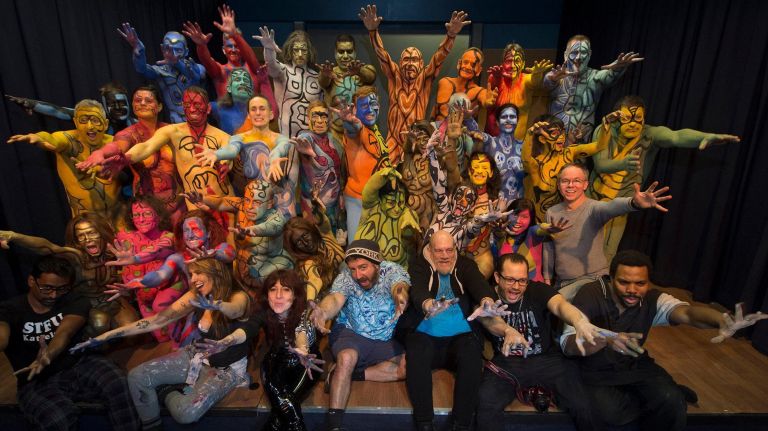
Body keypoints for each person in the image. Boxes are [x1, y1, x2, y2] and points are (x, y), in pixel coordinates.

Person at [560, 250, 767, 430]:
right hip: (593, 370)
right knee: (610, 414)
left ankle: (664, 397)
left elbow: (688, 314)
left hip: (633, 364)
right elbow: (569, 346)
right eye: (624, 282)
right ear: (611, 278)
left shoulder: (653, 299)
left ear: (648, 283)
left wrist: (721, 320)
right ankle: (655, 399)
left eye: (640, 283)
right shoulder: (591, 295)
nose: (632, 289)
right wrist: (607, 339)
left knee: (671, 402)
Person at [71, 258, 254, 428]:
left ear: (217, 271)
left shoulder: (239, 296)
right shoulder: (196, 295)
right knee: (137, 377)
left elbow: (235, 310)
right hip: (197, 356)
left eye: (198, 273)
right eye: (191, 274)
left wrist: (218, 305)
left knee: (185, 413)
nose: (193, 279)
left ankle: (164, 391)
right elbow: (156, 321)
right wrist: (106, 336)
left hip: (226, 370)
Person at [591, 95, 740, 262]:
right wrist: (623, 164)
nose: (633, 124)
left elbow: (676, 136)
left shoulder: (649, 134)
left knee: (606, 253)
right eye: (626, 118)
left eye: (638, 118)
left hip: (621, 205)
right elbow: (601, 165)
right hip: (592, 198)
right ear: (616, 117)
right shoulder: (604, 130)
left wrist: (704, 136)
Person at [403, 230, 526, 431]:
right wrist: (428, 305)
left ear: (455, 250)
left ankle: (461, 424)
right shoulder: (419, 266)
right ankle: (424, 423)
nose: (445, 255)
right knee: (416, 349)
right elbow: (418, 290)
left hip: (459, 337)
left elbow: (478, 284)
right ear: (430, 251)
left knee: (472, 351)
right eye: (439, 251)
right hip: (426, 335)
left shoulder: (465, 265)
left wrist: (487, 301)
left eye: (449, 250)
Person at [0, 255, 139, 430]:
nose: (54, 295)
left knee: (118, 383)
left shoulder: (74, 300)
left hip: (78, 364)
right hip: (35, 380)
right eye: (47, 288)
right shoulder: (10, 309)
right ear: (31, 281)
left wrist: (48, 354)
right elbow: (2, 336)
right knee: (58, 418)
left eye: (61, 289)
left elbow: (65, 332)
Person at [476, 253, 602, 431]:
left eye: (522, 281)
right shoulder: (487, 297)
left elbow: (560, 305)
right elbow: (488, 321)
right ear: (497, 277)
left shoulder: (537, 290)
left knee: (583, 404)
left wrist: (579, 321)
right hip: (507, 362)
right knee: (485, 403)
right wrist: (507, 330)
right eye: (510, 280)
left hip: (547, 359)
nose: (516, 287)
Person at [309, 239, 410, 431]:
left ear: (377, 263)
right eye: (353, 269)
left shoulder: (391, 270)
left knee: (408, 367)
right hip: (351, 332)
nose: (358, 275)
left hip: (383, 338)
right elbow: (335, 299)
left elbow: (399, 286)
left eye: (363, 267)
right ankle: (334, 425)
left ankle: (348, 373)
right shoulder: (346, 277)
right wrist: (323, 312)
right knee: (347, 357)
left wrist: (400, 297)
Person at [544, 163, 671, 300]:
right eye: (565, 181)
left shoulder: (594, 209)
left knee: (557, 304)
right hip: (562, 282)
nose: (570, 185)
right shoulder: (552, 212)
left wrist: (633, 203)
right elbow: (549, 247)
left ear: (585, 185)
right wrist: (547, 278)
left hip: (591, 279)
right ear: (559, 185)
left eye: (577, 181)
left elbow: (611, 207)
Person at [359, 4, 470, 161]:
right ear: (400, 63)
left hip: (416, 142)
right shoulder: (394, 76)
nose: (410, 63)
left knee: (417, 175)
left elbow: (439, 56)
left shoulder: (425, 78)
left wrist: (451, 35)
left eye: (414, 59)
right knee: (383, 172)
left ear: (421, 63)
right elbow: (381, 54)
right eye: (406, 59)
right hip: (393, 142)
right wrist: (372, 32)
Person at [7, 100, 120, 221]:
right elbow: (52, 139)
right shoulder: (68, 140)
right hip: (85, 221)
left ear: (106, 124)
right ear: (75, 122)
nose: (90, 126)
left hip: (118, 216)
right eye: (83, 120)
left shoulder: (116, 143)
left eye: (95, 120)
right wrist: (38, 137)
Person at [544, 35, 642, 146]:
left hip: (580, 143)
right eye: (574, 52)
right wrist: (552, 78)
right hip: (552, 140)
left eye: (583, 52)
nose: (578, 57)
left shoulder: (595, 78)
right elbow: (547, 82)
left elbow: (610, 75)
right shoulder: (557, 77)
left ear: (589, 54)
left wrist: (618, 68)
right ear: (566, 55)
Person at [259, 269, 325, 431]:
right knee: (278, 393)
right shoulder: (263, 312)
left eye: (286, 289)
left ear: (295, 295)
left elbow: (301, 332)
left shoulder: (305, 314)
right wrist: (230, 339)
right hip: (276, 358)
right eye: (273, 289)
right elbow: (248, 327)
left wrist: (302, 350)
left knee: (282, 407)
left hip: (307, 362)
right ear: (267, 294)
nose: (278, 295)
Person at [119, 24, 206, 122]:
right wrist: (139, 50)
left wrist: (177, 63)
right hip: (176, 123)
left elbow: (195, 78)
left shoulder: (196, 68)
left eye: (178, 50)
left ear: (186, 51)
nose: (173, 54)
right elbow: (142, 69)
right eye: (168, 49)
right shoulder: (161, 71)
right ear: (162, 49)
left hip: (199, 122)